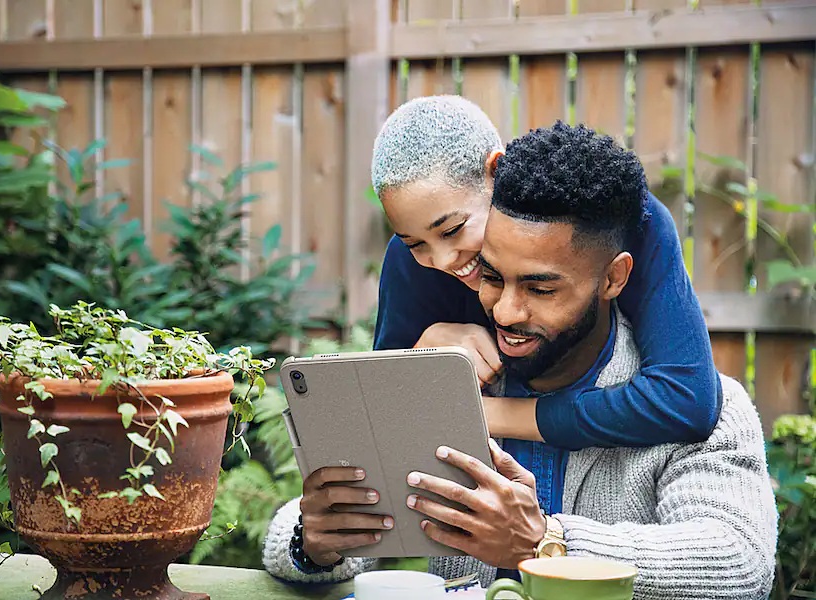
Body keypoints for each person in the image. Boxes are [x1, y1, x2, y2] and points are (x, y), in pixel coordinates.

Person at [262, 123, 778, 598]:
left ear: (614, 279)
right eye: (490, 276)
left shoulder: (709, 405)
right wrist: (314, 540)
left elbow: (740, 565)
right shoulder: (458, 384)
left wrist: (546, 543)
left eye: (540, 287)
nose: (505, 311)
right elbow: (340, 516)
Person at [369, 95, 721, 451]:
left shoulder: (611, 222)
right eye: (415, 243)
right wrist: (415, 361)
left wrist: (494, 415)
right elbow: (378, 415)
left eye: (452, 230)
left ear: (496, 171)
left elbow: (686, 398)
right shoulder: (409, 261)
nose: (443, 260)